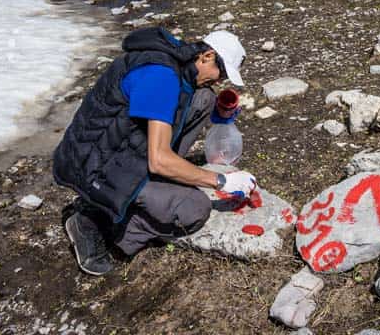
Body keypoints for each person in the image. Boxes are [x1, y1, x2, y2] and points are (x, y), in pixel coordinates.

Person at [53, 27, 255, 276]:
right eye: (221, 71)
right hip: (94, 166)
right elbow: (158, 160)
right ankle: (96, 223)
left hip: (113, 149)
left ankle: (154, 185)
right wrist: (221, 181)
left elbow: (181, 104)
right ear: (206, 56)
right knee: (195, 209)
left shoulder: (177, 61)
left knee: (204, 98)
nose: (219, 79)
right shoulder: (161, 77)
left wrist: (220, 115)